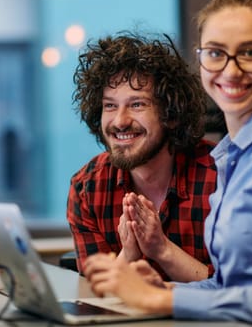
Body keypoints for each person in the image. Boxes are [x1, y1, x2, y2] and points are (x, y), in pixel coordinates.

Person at [83, 0, 252, 327]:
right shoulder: (237, 154)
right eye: (216, 53)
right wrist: (162, 288)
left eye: (251, 52)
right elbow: (229, 287)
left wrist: (162, 298)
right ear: (202, 61)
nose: (231, 70)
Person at [67, 31, 218, 282]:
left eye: (137, 104)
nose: (120, 121)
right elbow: (98, 291)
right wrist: (129, 253)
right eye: (110, 105)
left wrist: (161, 249)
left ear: (171, 114)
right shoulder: (87, 188)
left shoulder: (223, 176)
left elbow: (238, 291)